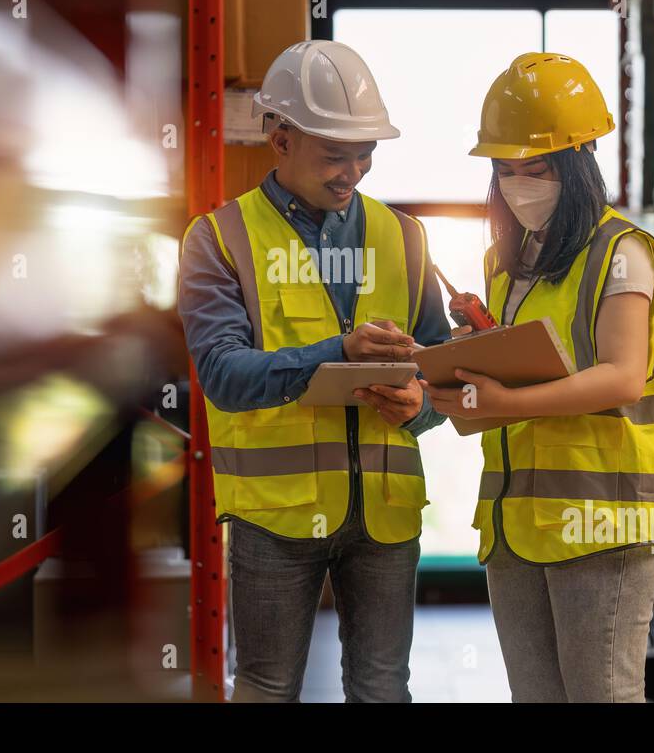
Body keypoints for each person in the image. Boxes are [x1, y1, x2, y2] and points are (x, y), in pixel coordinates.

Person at [178, 40, 452, 702]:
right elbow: (222, 373)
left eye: (365, 154)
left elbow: (444, 368)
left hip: (384, 514)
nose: (352, 172)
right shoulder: (219, 240)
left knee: (383, 687)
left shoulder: (404, 236)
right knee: (268, 686)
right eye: (335, 154)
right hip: (278, 517)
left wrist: (423, 406)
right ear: (280, 139)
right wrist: (336, 354)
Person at [421, 52, 654, 702]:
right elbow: (522, 357)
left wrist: (510, 396)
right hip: (517, 522)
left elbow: (621, 377)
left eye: (532, 169)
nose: (517, 185)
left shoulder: (621, 254)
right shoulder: (506, 262)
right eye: (504, 171)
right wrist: (461, 359)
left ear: (576, 162)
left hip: (603, 524)